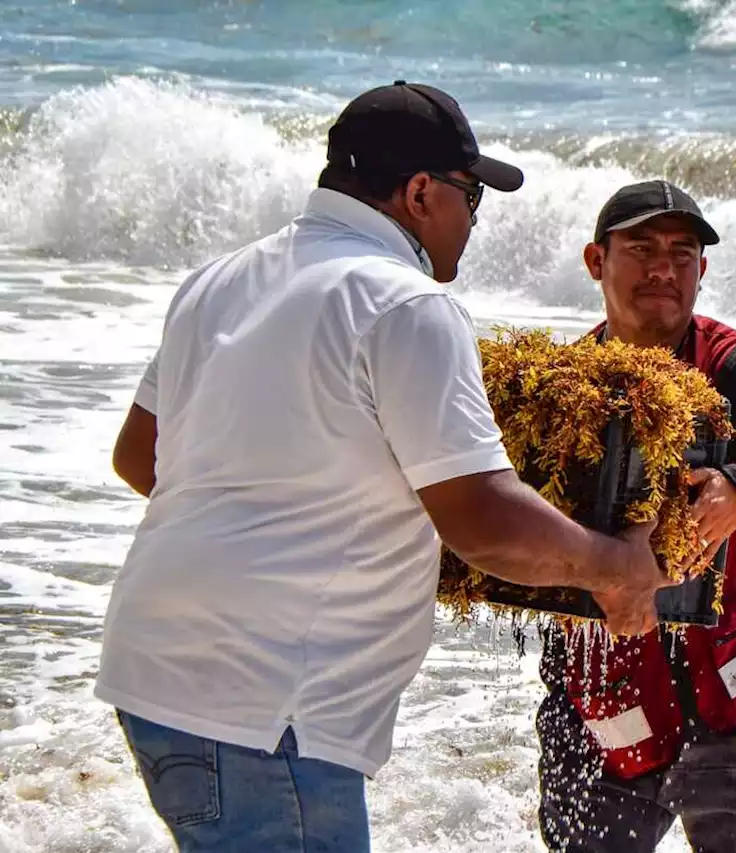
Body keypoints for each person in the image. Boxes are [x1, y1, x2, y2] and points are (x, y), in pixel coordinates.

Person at [95, 81, 671, 852]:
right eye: (471, 196)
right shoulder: (405, 305)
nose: (473, 219)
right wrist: (618, 565)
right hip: (265, 708)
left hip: (153, 672)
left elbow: (142, 459)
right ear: (420, 192)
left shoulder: (219, 281)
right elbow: (484, 521)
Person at [535, 180, 736, 853]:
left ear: (702, 270)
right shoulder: (558, 386)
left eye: (682, 253)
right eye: (641, 248)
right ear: (595, 260)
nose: (664, 268)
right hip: (602, 702)